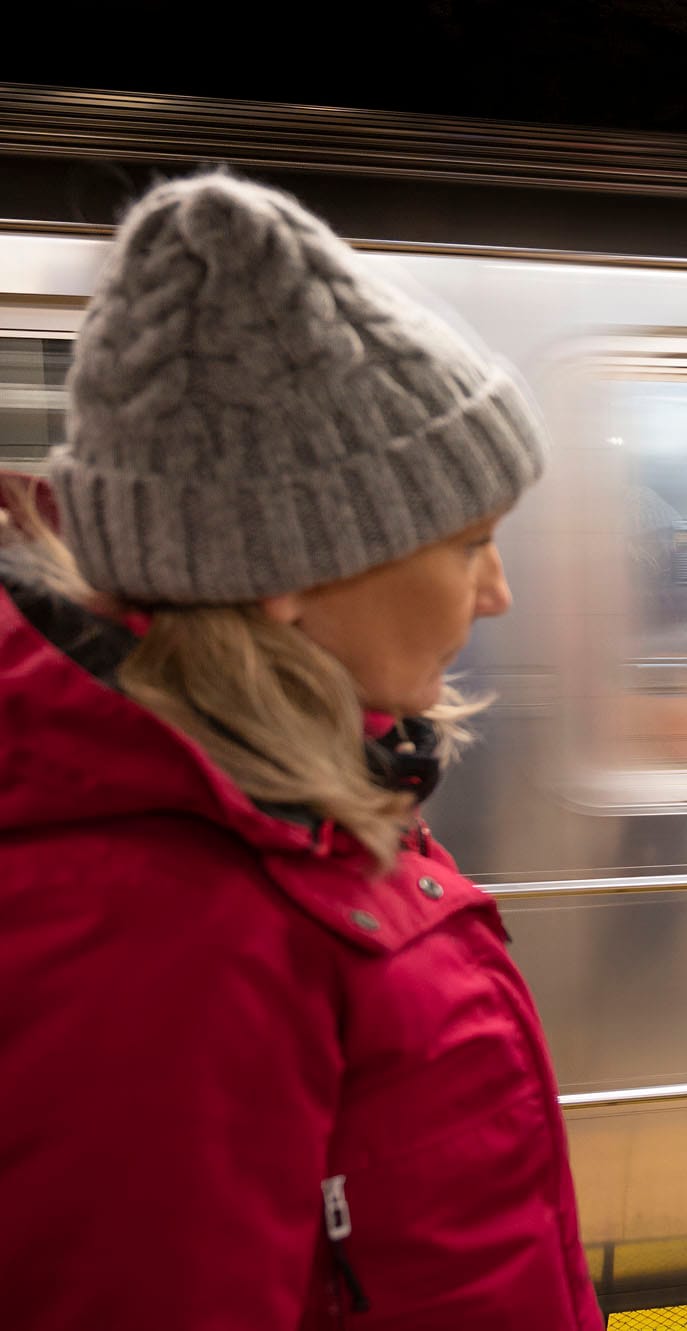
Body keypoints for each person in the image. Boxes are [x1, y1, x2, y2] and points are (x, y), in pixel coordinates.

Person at [0, 172, 602, 1329]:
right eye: (466, 543)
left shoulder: (295, 800)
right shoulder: (169, 933)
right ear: (287, 571)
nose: (497, 592)